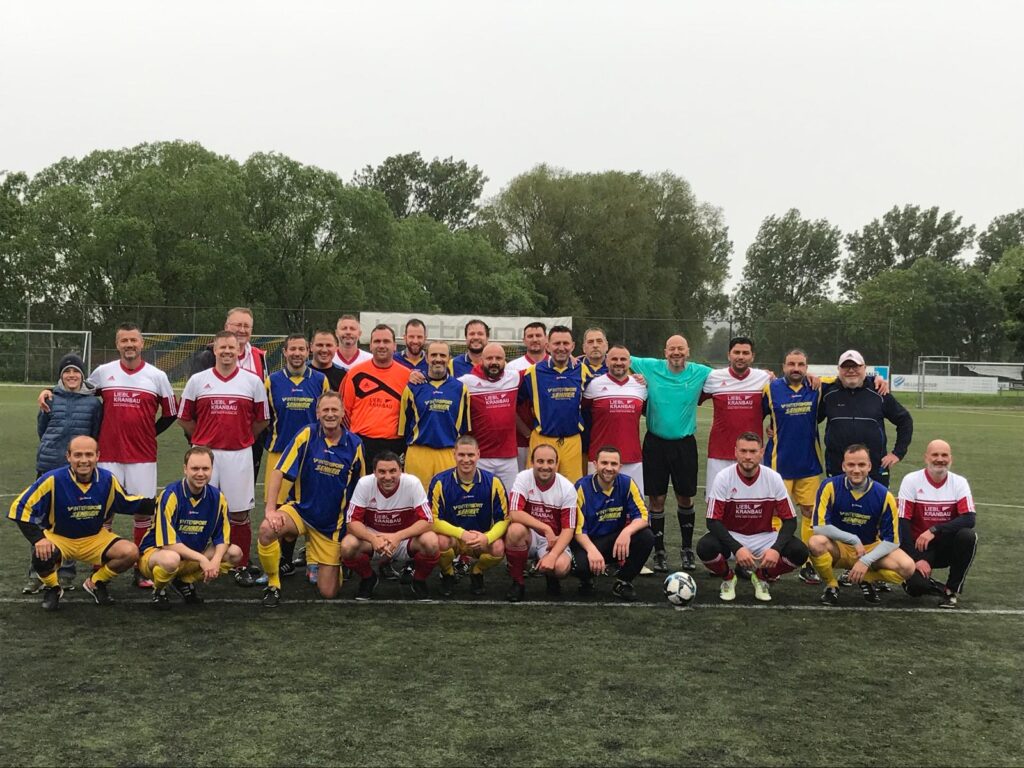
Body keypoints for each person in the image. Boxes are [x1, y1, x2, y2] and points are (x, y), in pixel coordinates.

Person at [39, 323, 177, 588]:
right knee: (103, 513)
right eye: (124, 341)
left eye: (133, 340)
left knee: (143, 514)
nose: (129, 345)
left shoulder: (157, 376)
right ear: (117, 344)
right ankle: (100, 567)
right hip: (108, 455)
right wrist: (49, 390)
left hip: (142, 456)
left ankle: (141, 567)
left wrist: (149, 433)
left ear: (142, 343)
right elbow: (76, 388)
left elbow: (171, 413)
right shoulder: (104, 372)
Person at [8, 436, 152, 610]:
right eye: (78, 455)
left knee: (130, 552)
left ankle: (95, 582)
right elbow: (20, 507)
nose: (84, 460)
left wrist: (161, 504)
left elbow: (127, 502)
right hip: (59, 537)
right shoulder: (52, 479)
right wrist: (38, 539)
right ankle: (53, 587)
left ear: (97, 456)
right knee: (41, 556)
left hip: (94, 538)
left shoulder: (107, 479)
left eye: (89, 454)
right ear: (68, 456)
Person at [178, 331, 270, 587]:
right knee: (195, 510)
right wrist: (201, 440)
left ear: (239, 351)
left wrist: (241, 438)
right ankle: (191, 563)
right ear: (214, 350)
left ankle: (240, 565)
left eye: (232, 347)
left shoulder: (252, 381)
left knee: (239, 513)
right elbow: (184, 418)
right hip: (204, 455)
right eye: (223, 347)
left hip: (238, 455)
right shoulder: (198, 380)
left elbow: (262, 420)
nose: (228, 351)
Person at [257, 391, 365, 606]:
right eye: (325, 410)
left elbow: (361, 488)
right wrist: (270, 510)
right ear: (317, 413)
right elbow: (278, 471)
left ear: (343, 412)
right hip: (300, 511)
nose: (330, 414)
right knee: (267, 529)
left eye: (334, 409)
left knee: (328, 592)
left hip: (331, 525)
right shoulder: (307, 434)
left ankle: (320, 558)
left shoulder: (355, 444)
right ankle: (273, 583)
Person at [629, 334, 712, 573]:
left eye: (680, 348)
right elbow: (617, 358)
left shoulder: (700, 372)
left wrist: (766, 375)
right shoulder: (650, 366)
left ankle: (686, 549)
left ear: (688, 351)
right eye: (672, 349)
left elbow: (731, 374)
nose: (676, 352)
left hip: (684, 445)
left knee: (685, 497)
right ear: (665, 352)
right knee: (656, 499)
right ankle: (659, 551)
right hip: (655, 444)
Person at [697, 433, 808, 602]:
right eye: (743, 451)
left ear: (761, 452)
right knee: (705, 547)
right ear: (735, 452)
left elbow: (790, 521)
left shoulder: (773, 478)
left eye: (753, 451)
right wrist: (737, 548)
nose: (748, 456)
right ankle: (728, 578)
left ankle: (762, 576)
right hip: (732, 535)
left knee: (799, 552)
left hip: (764, 537)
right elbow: (712, 521)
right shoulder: (723, 477)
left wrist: (776, 549)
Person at [26, 353, 103, 593]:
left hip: (77, 469)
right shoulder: (50, 398)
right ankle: (38, 573)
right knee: (40, 520)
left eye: (75, 372)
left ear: (82, 375)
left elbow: (94, 433)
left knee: (70, 518)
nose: (71, 375)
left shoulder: (93, 404)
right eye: (66, 372)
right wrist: (53, 450)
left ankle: (67, 572)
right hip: (49, 465)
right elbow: (42, 429)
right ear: (61, 376)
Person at [808, 444, 916, 606]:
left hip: (870, 548)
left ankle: (866, 578)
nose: (856, 470)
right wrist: (853, 539)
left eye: (861, 465)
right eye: (851, 465)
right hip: (839, 547)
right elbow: (819, 527)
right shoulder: (829, 486)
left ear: (869, 466)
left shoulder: (884, 495)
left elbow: (893, 541)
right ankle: (831, 585)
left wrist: (866, 560)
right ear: (843, 466)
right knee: (815, 542)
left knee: (907, 567)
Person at [137, 446, 243, 610]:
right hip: (156, 555)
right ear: (185, 469)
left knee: (234, 553)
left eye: (205, 469)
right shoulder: (170, 495)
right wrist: (202, 560)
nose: (200, 473)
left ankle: (184, 581)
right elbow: (168, 544)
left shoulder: (218, 498)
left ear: (212, 470)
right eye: (195, 468)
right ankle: (159, 590)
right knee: (171, 559)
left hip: (191, 556)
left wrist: (215, 561)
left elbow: (222, 538)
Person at [263, 333, 328, 574]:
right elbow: (265, 418)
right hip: (280, 454)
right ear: (285, 352)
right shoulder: (272, 381)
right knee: (279, 508)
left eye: (301, 349)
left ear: (308, 351)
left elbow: (326, 415)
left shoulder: (320, 380)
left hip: (311, 456)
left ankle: (314, 559)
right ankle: (284, 561)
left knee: (312, 505)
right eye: (292, 349)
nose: (297, 353)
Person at [340, 452, 440, 601]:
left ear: (401, 471)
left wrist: (398, 536)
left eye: (393, 471)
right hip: (375, 539)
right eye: (382, 472)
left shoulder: (412, 483)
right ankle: (368, 578)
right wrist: (372, 539)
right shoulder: (364, 484)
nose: (388, 477)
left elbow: (427, 520)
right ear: (374, 472)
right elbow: (351, 522)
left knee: (431, 542)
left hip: (405, 539)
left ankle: (419, 580)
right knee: (347, 545)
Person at [762, 348, 824, 584]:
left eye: (800, 364)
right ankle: (775, 561)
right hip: (778, 465)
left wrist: (877, 380)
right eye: (791, 364)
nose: (796, 368)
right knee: (776, 514)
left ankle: (807, 564)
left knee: (810, 513)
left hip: (809, 464)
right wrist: (765, 432)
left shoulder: (817, 387)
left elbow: (849, 378)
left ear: (807, 367)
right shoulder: (770, 388)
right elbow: (756, 415)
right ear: (783, 366)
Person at [897, 439, 977, 609]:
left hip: (945, 547)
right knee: (917, 588)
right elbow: (902, 523)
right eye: (935, 455)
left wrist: (935, 529)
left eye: (944, 455)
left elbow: (969, 519)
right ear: (926, 457)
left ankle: (951, 590)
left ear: (951, 458)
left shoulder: (959, 482)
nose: (940, 459)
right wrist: (916, 559)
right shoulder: (911, 480)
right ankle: (930, 585)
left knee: (967, 536)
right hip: (919, 547)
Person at [819, 349, 913, 487]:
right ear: (839, 369)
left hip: (875, 470)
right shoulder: (827, 394)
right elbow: (810, 419)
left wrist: (897, 453)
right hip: (837, 468)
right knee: (838, 501)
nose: (851, 370)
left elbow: (904, 420)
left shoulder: (879, 392)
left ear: (864, 368)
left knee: (877, 502)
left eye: (856, 366)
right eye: (846, 366)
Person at [429, 436, 509, 597]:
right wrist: (461, 534)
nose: (466, 460)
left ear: (478, 454)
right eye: (461, 455)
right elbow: (432, 521)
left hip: (479, 539)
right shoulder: (440, 482)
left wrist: (487, 537)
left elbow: (504, 519)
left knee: (498, 547)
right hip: (453, 539)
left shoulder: (493, 482)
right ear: (454, 454)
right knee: (438, 541)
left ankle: (477, 571)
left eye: (471, 455)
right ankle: (448, 573)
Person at [572, 446, 654, 601]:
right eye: (604, 463)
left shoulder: (627, 483)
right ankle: (586, 580)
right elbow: (577, 529)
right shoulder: (582, 487)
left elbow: (644, 516)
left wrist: (627, 532)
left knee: (646, 537)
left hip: (614, 542)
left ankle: (623, 582)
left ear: (620, 466)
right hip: (587, 542)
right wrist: (592, 550)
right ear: (595, 464)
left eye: (614, 464)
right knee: (580, 566)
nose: (609, 468)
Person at [701, 336, 773, 498]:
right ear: (729, 355)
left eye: (745, 353)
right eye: (737, 352)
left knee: (752, 502)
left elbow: (782, 399)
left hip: (752, 454)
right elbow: (690, 398)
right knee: (717, 501)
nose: (741, 356)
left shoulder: (764, 378)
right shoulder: (714, 377)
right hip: (719, 454)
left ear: (752, 356)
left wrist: (774, 425)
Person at [504, 444, 577, 602]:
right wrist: (545, 528)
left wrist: (553, 555)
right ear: (532, 462)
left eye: (550, 462)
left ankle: (551, 577)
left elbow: (568, 529)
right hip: (530, 535)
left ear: (557, 464)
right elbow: (514, 513)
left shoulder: (567, 488)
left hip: (553, 540)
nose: (545, 466)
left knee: (561, 568)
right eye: (540, 461)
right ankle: (518, 582)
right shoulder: (523, 478)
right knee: (515, 530)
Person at [518, 325, 589, 484]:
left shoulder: (582, 370)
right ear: (548, 346)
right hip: (542, 440)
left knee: (571, 489)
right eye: (557, 343)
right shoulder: (533, 372)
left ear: (573, 346)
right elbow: (514, 404)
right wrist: (526, 432)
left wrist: (635, 377)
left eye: (566, 343)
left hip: (572, 441)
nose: (561, 348)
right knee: (536, 488)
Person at [399, 341, 469, 492]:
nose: (438, 359)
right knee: (416, 499)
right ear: (427, 358)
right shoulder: (412, 387)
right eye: (434, 355)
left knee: (447, 497)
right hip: (418, 452)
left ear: (449, 358)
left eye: (442, 355)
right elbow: (403, 428)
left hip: (448, 452)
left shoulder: (460, 388)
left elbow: (464, 429)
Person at [342, 324, 412, 468]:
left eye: (386, 341)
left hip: (394, 446)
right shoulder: (354, 373)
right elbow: (343, 412)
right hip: (361, 443)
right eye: (377, 341)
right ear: (370, 346)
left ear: (394, 346)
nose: (381, 345)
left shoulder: (408, 376)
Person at [582, 344, 647, 494]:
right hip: (600, 458)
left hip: (632, 458)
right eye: (614, 359)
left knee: (633, 503)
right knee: (596, 503)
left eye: (623, 359)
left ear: (629, 362)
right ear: (606, 361)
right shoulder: (594, 385)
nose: (619, 362)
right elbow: (582, 411)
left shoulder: (640, 386)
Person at [459, 342, 520, 492]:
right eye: (489, 358)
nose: (494, 362)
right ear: (481, 360)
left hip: (509, 458)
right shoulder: (467, 382)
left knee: (509, 501)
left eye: (498, 358)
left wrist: (569, 357)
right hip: (480, 457)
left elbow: (540, 369)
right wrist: (418, 376)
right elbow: (442, 383)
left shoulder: (515, 377)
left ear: (505, 361)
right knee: (481, 499)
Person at [507, 321, 549, 470]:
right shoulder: (512, 367)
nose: (535, 339)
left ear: (546, 339)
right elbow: (508, 405)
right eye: (530, 336)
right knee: (522, 478)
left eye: (538, 335)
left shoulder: (556, 364)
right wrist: (526, 432)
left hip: (549, 437)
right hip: (521, 438)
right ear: (524, 340)